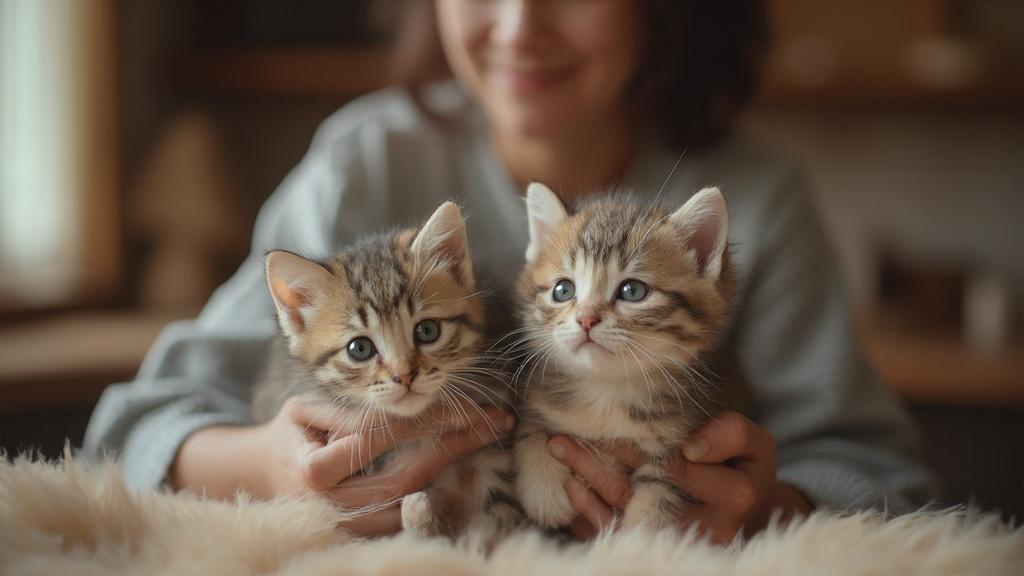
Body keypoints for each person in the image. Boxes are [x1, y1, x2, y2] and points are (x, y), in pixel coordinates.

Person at [84, 0, 936, 541]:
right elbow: (134, 422)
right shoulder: (366, 163)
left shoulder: (756, 199)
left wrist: (770, 509)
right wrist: (266, 468)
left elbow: (883, 477)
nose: (519, 23)